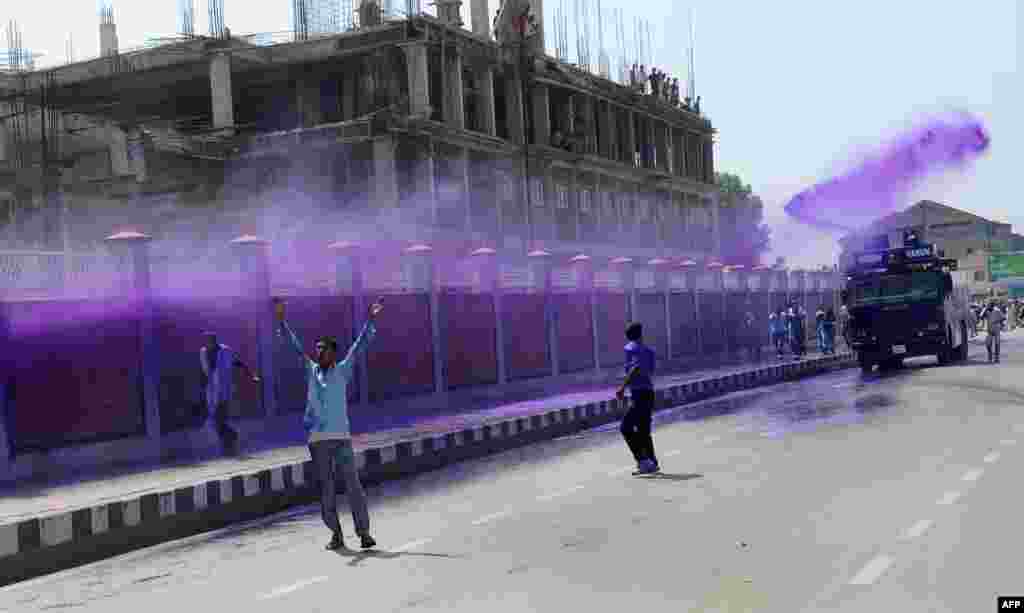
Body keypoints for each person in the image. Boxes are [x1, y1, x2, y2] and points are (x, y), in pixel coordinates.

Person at [277, 297, 384, 550]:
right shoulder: (310, 370)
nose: (319, 352)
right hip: (317, 440)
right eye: (317, 349)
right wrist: (282, 322)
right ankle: (336, 534)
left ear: (333, 353)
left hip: (341, 437)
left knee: (353, 486)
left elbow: (359, 346)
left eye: (323, 349)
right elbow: (294, 348)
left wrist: (370, 320)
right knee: (326, 489)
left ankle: (364, 532)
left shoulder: (343, 369)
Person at [199, 332, 259, 456]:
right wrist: (203, 387)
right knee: (216, 421)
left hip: (223, 391)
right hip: (211, 391)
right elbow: (204, 372)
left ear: (215, 341)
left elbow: (237, 362)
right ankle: (230, 443)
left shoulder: (225, 351)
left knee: (218, 419)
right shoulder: (203, 352)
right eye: (207, 341)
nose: (209, 344)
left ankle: (231, 441)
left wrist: (250, 373)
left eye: (211, 341)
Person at [616, 322, 659, 476]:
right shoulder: (649, 351)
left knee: (625, 427)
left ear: (628, 336)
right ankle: (652, 462)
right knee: (643, 430)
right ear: (641, 334)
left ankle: (642, 460)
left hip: (639, 394)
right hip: (649, 392)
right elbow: (651, 370)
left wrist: (622, 386)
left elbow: (635, 368)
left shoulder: (630, 348)